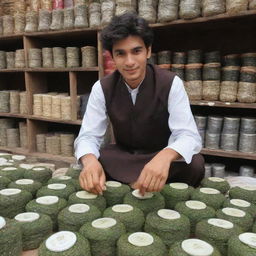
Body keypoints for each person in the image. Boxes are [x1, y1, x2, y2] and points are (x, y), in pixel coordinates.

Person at [75, 12, 205, 196]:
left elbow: (188, 135)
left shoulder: (170, 83)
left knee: (195, 164)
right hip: (124, 155)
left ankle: (133, 181)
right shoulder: (102, 87)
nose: (129, 62)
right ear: (112, 56)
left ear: (148, 51)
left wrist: (165, 157)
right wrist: (89, 162)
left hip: (160, 155)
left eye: (136, 51)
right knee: (98, 158)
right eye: (121, 53)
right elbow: (88, 136)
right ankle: (145, 183)